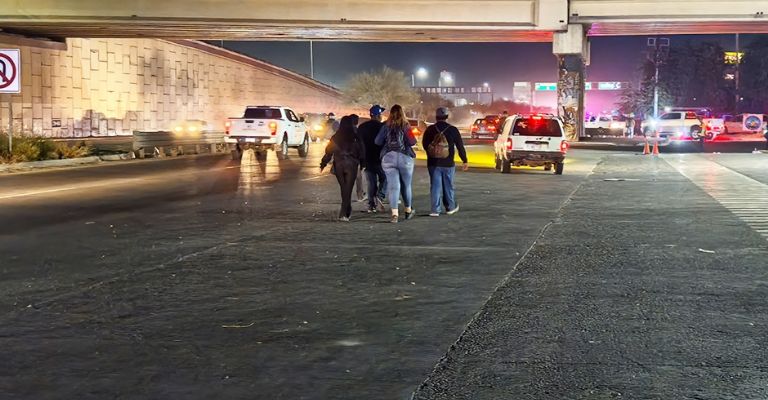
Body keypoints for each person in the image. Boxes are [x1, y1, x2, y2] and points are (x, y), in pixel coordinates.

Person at [422, 107, 468, 217]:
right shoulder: (453, 130)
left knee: (435, 186)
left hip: (433, 163)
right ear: (447, 117)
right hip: (448, 163)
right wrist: (464, 160)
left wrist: (432, 154)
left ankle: (435, 210)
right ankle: (450, 207)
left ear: (436, 117)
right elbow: (460, 146)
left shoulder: (430, 129)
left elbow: (425, 144)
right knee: (448, 185)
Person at [375, 104, 417, 223]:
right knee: (406, 185)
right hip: (405, 158)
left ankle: (394, 214)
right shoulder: (406, 126)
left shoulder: (385, 126)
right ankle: (408, 210)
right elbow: (412, 142)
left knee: (393, 186)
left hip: (388, 158)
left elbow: (377, 141)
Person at [320, 115, 365, 222]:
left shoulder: (336, 136)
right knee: (348, 188)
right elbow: (362, 150)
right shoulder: (355, 136)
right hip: (352, 164)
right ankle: (345, 212)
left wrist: (323, 163)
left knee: (344, 188)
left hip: (339, 164)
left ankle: (345, 211)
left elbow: (329, 151)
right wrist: (363, 163)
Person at [357, 105, 387, 212]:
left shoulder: (362, 127)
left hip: (367, 159)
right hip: (380, 158)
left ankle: (371, 205)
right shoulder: (382, 127)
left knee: (371, 182)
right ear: (378, 115)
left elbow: (358, 143)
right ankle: (380, 195)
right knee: (385, 177)